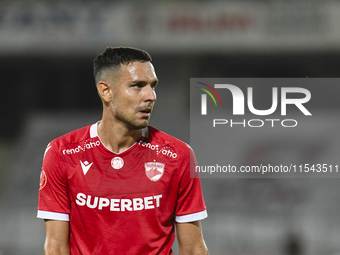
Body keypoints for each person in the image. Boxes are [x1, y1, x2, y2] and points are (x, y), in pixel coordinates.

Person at [37, 46, 209, 255]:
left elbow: (193, 248)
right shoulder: (62, 152)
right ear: (106, 91)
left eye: (153, 86)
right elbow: (55, 246)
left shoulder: (178, 155)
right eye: (137, 86)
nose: (151, 96)